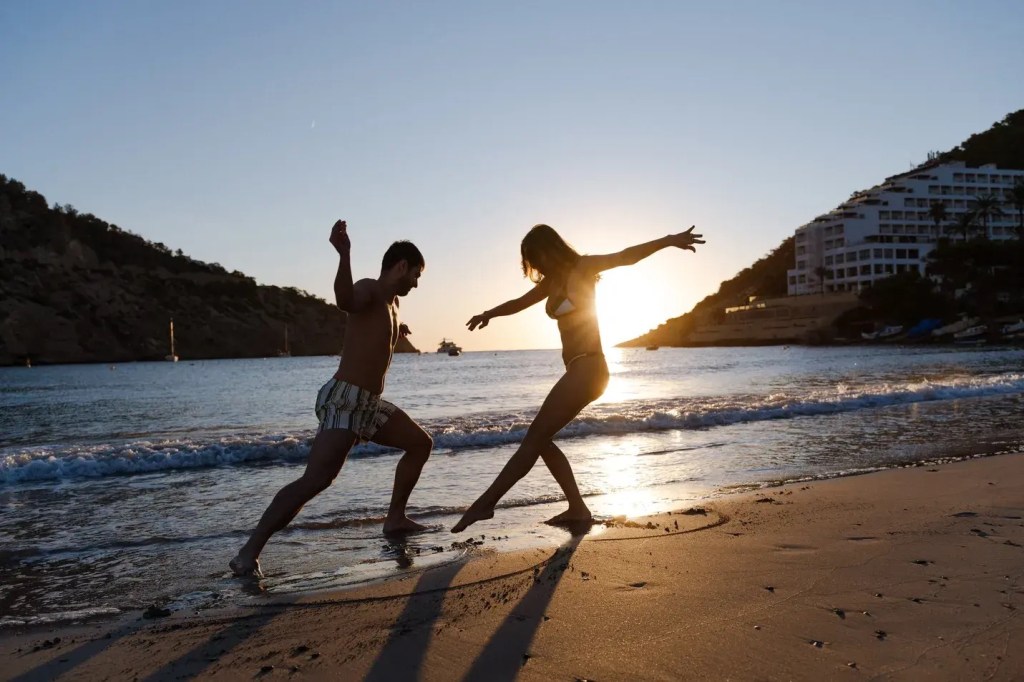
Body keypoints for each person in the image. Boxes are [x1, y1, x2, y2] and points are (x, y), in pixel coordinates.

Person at [452, 223, 704, 533]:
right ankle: (577, 508)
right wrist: (488, 313)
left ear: (551, 248)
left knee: (533, 438)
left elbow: (627, 256)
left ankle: (487, 503)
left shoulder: (583, 267)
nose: (536, 264)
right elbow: (519, 303)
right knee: (541, 439)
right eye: (531, 260)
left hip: (590, 367)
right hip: (578, 370)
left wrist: (669, 240)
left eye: (537, 256)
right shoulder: (552, 282)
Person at [230, 220, 434, 577]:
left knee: (420, 443)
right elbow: (344, 302)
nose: (417, 282)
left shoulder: (394, 303)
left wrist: (396, 330)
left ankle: (395, 519)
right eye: (416, 274)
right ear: (401, 266)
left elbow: (371, 333)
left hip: (368, 404)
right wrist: (344, 254)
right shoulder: (369, 289)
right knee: (316, 479)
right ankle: (248, 552)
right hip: (345, 399)